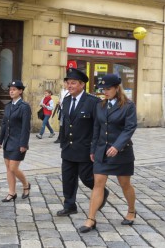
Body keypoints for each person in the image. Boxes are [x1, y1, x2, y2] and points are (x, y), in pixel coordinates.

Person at [79, 74, 137, 233]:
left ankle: (131, 211)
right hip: (102, 152)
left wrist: (117, 146)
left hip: (122, 153)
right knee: (98, 183)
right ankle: (91, 219)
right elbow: (96, 128)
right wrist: (93, 149)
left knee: (125, 184)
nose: (105, 91)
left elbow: (129, 128)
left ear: (117, 88)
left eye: (108, 89)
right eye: (102, 89)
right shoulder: (100, 105)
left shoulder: (128, 106)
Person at [56, 68, 109, 217]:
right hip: (68, 148)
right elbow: (65, 124)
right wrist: (62, 142)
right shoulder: (66, 100)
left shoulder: (93, 102)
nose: (69, 86)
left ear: (81, 85)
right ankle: (69, 205)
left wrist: (95, 149)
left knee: (86, 178)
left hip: (85, 149)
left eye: (73, 83)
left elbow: (98, 127)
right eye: (68, 83)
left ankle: (102, 192)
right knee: (68, 179)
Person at [0, 80, 32, 202]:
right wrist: (0, 140)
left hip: (18, 142)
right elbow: (4, 125)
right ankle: (12, 193)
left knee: (13, 168)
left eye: (14, 89)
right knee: (8, 168)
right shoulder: (8, 106)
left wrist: (23, 144)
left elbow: (26, 128)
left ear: (20, 91)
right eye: (10, 89)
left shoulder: (24, 107)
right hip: (7, 141)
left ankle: (26, 184)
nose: (11, 91)